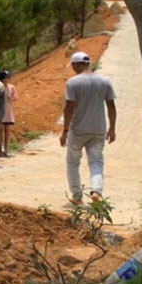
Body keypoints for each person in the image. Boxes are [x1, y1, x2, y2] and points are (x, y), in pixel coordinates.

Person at [60, 51, 116, 204]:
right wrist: (112, 129)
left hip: (78, 130)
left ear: (77, 64)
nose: (72, 68)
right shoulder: (105, 82)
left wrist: (65, 131)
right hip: (98, 130)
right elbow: (111, 106)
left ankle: (77, 197)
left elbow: (69, 107)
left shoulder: (73, 82)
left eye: (72, 65)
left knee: (73, 162)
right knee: (96, 162)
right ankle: (96, 191)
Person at [0, 70, 18, 157]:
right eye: (6, 78)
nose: (7, 79)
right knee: (0, 131)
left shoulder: (12, 87)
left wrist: (11, 98)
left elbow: (15, 97)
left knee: (7, 131)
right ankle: (0, 149)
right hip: (0, 112)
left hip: (8, 111)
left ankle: (7, 150)